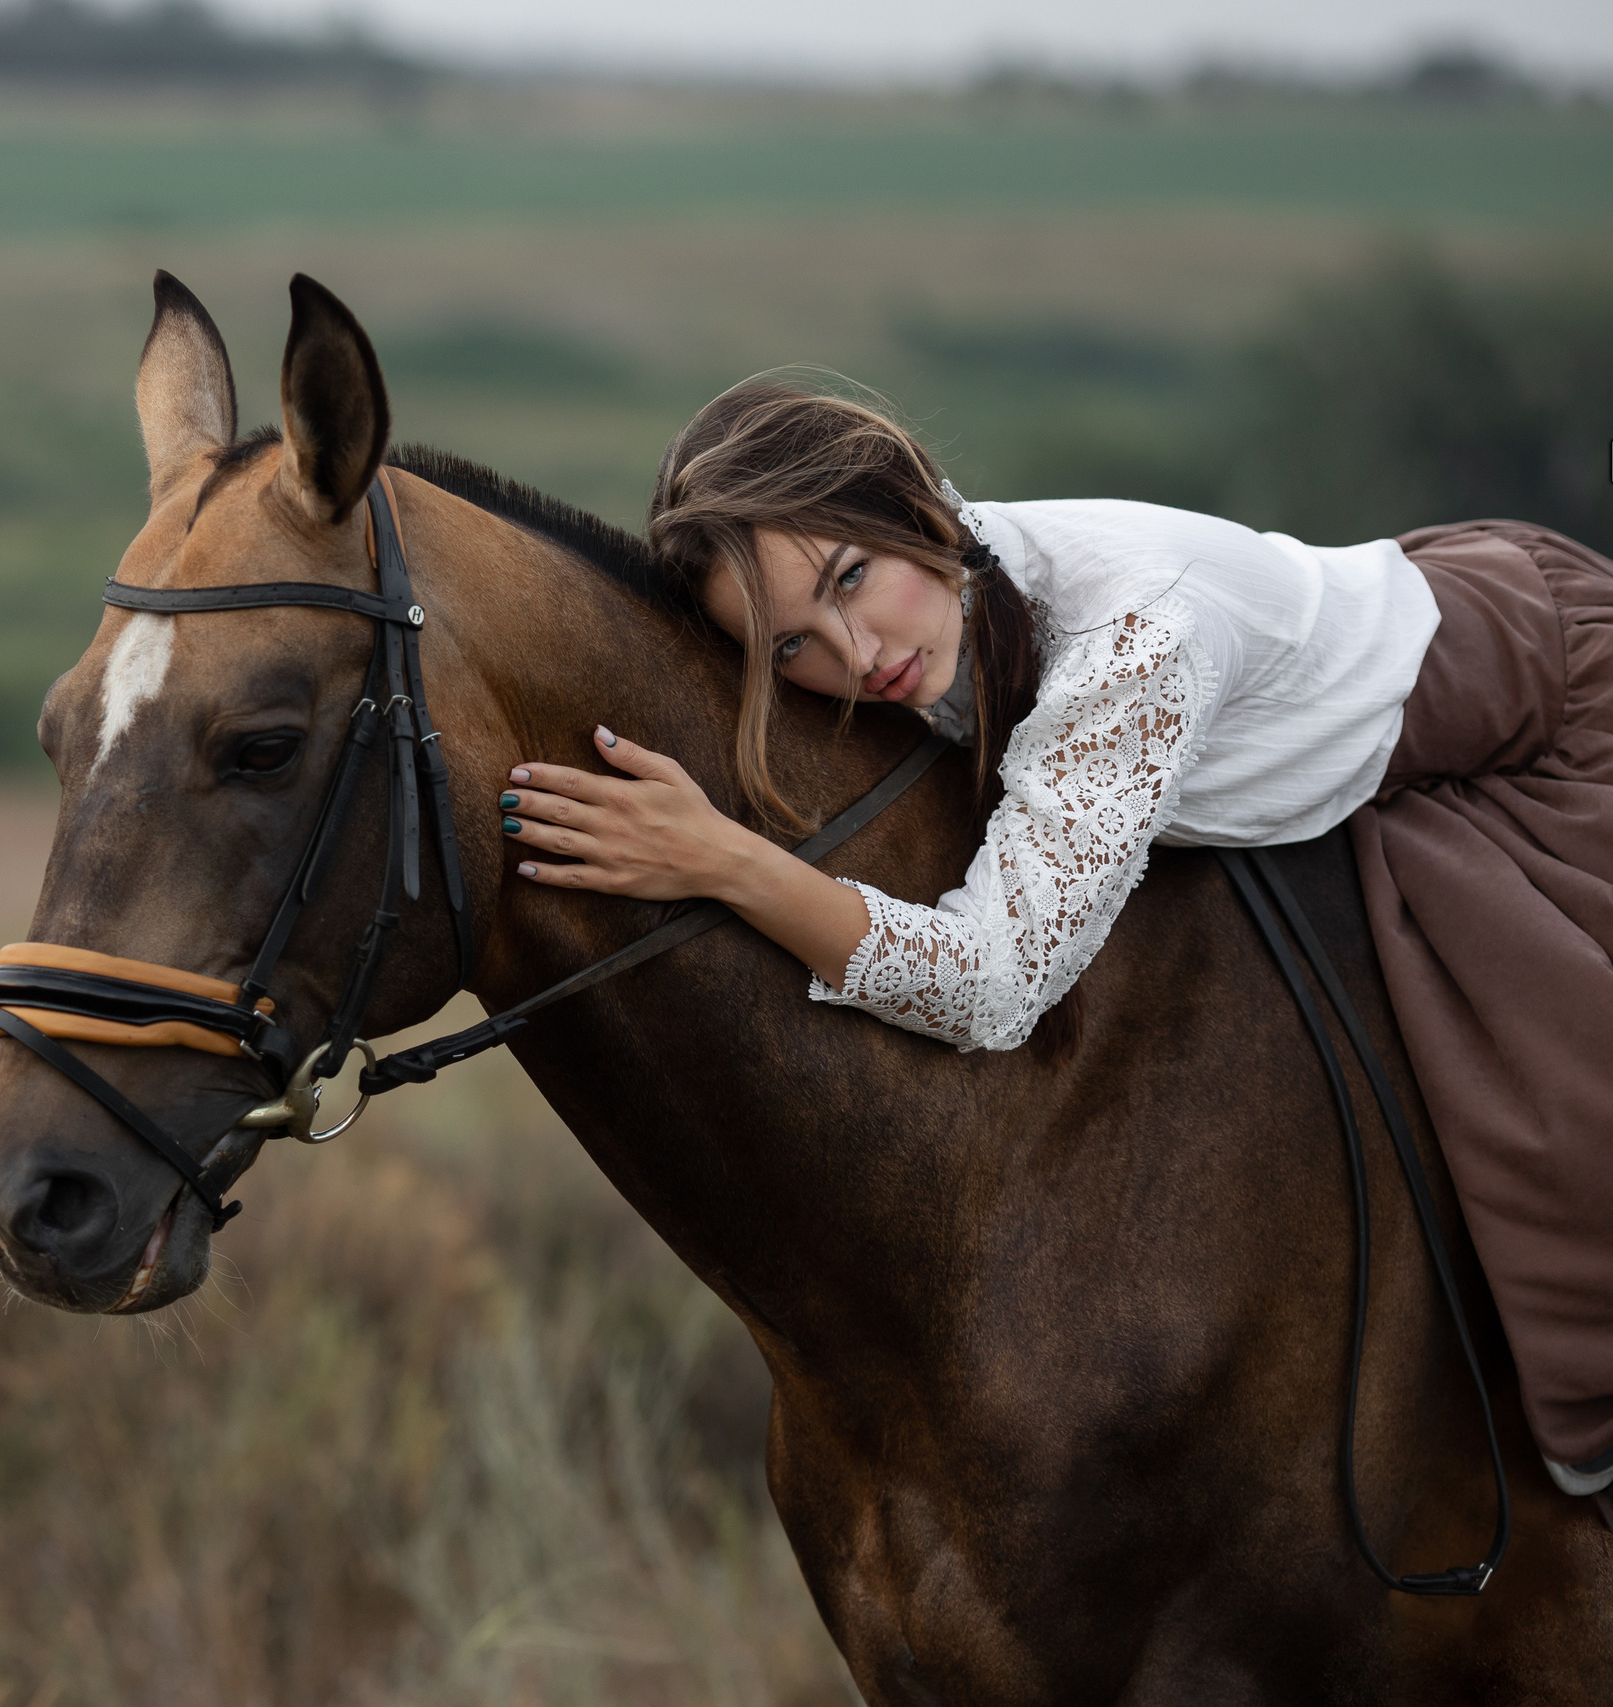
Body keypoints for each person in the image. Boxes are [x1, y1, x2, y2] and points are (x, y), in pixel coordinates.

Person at [495, 377, 1613, 1510]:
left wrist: (723, 860)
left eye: (850, 578)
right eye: (791, 648)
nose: (852, 649)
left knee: (1564, 1125)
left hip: (1545, 712)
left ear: (918, 504)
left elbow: (991, 983)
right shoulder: (957, 609)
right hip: (1373, 675)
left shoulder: (1132, 639)